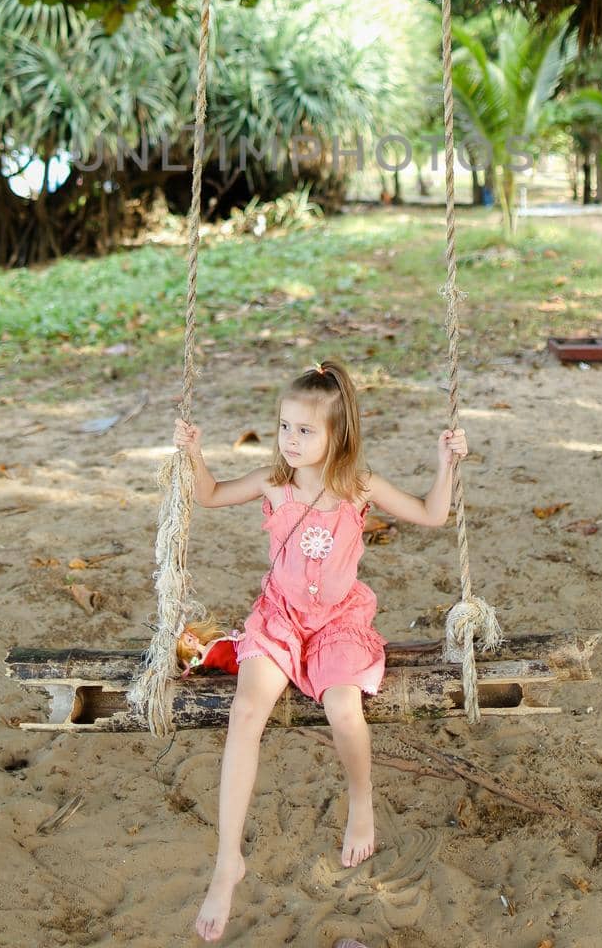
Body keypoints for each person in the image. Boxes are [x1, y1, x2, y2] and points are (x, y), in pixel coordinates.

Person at [172, 358, 469, 943]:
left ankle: (361, 800)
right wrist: (192, 450)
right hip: (279, 618)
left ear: (339, 434)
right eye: (284, 426)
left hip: (337, 623)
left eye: (305, 430)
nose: (290, 440)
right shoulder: (272, 482)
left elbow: (434, 515)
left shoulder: (360, 487)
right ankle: (227, 859)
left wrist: (446, 463)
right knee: (247, 712)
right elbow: (205, 495)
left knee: (342, 708)